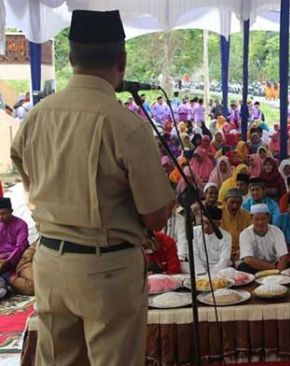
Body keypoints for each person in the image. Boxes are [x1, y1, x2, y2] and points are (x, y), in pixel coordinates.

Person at [10, 10, 174, 366]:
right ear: (122, 60)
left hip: (50, 262)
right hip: (108, 270)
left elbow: (29, 184)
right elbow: (156, 217)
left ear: (70, 58)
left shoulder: (36, 117)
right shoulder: (126, 126)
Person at [238, 204, 290, 274]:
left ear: (268, 218)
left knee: (289, 264)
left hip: (275, 264)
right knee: (242, 267)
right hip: (256, 266)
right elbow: (248, 259)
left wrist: (279, 272)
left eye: (263, 219)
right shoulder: (245, 233)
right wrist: (273, 268)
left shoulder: (276, 231)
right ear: (251, 219)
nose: (260, 222)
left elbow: (284, 255)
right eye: (257, 219)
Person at [0, 198, 29, 282]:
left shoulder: (21, 224)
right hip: (2, 258)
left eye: (3, 213)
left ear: (11, 211)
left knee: (28, 283)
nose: (0, 217)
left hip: (18, 259)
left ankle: (6, 279)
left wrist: (7, 261)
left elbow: (20, 247)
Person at [221, 188, 251, 263]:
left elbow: (251, 237)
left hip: (241, 254)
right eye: (232, 202)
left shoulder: (247, 215)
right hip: (221, 252)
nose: (235, 205)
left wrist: (240, 252)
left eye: (238, 202)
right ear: (225, 201)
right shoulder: (218, 214)